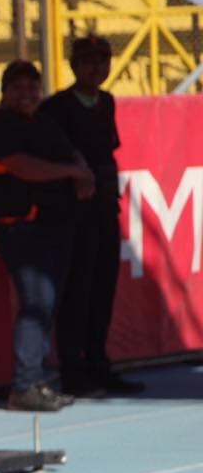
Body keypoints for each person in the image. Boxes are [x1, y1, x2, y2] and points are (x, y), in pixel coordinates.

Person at [0, 60, 95, 412]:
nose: (26, 94)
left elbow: (70, 152)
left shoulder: (45, 122)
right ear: (5, 92)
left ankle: (37, 379)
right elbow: (19, 166)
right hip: (21, 226)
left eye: (32, 87)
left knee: (47, 304)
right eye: (18, 87)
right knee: (36, 303)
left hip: (57, 223)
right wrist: (73, 171)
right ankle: (25, 384)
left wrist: (82, 170)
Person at [39, 35, 144, 396]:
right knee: (77, 291)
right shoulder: (57, 107)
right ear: (75, 66)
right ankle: (74, 371)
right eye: (89, 62)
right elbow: (54, 155)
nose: (98, 69)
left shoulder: (107, 102)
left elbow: (108, 149)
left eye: (103, 61)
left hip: (105, 208)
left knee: (103, 289)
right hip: (74, 213)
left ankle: (100, 364)